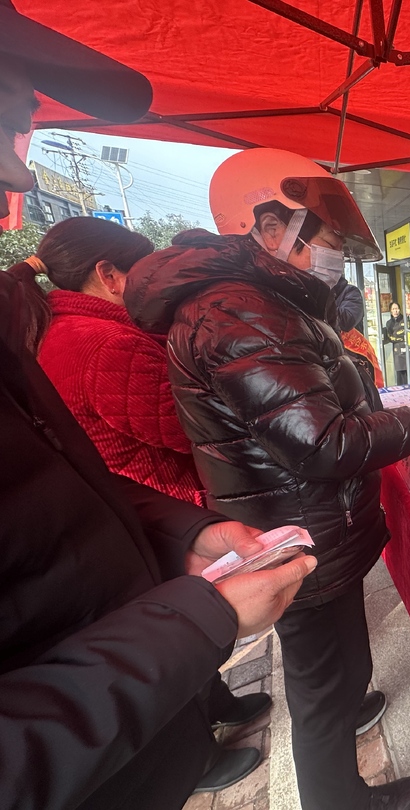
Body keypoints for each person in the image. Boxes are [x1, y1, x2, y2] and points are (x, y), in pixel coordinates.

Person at [0, 5, 316, 808]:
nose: (17, 176)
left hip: (127, 653)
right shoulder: (94, 342)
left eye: (18, 129)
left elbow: (60, 498)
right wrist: (200, 617)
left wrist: (183, 535)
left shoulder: (54, 334)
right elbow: (179, 428)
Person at [125, 146, 410, 810]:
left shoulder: (258, 301)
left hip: (309, 522)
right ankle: (341, 799)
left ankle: (345, 722)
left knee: (338, 668)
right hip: (299, 530)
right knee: (322, 684)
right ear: (270, 228)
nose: (333, 252)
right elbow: (321, 441)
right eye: (325, 236)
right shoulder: (239, 311)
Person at [32, 216, 275, 788]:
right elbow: (185, 428)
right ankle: (200, 757)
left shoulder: (68, 331)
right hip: (160, 498)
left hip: (132, 504)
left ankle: (217, 705)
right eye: (142, 272)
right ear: (109, 274)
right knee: (178, 627)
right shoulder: (103, 343)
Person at [383, 301, 410, 386]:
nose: (395, 311)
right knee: (399, 373)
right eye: (393, 309)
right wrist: (400, 338)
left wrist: (398, 337)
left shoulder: (406, 321)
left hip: (406, 349)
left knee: (407, 373)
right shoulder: (389, 323)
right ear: (390, 311)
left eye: (396, 308)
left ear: (400, 309)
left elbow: (408, 334)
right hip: (397, 350)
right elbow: (390, 337)